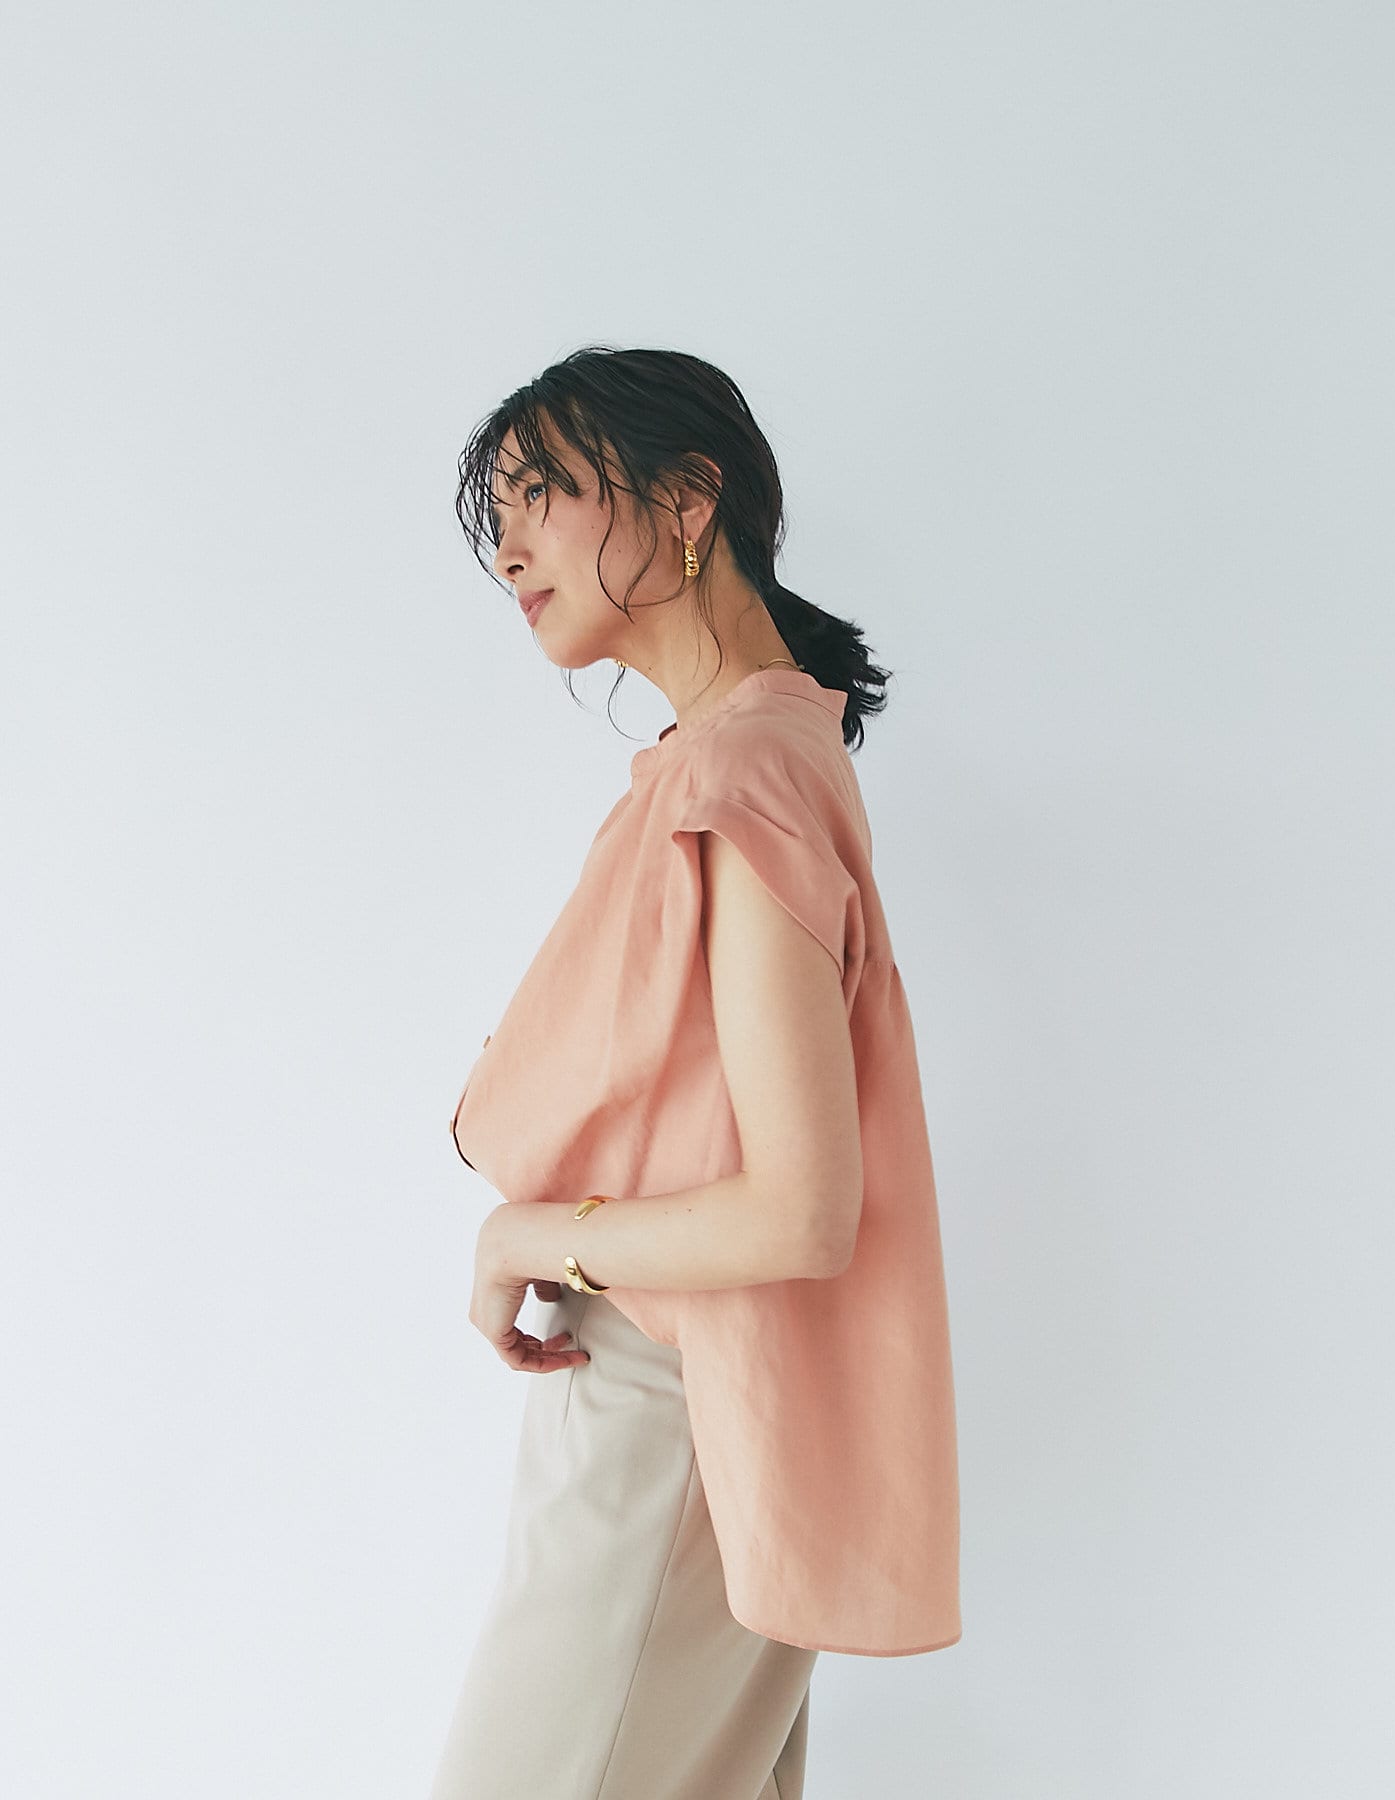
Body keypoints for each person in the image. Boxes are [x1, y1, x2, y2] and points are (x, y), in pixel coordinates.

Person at [428, 346, 962, 1800]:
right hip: (696, 1404)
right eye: (497, 519)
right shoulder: (750, 752)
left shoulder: (744, 775)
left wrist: (521, 1234)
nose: (510, 549)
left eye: (541, 492)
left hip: (669, 1414)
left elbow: (802, 1210)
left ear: (685, 498)